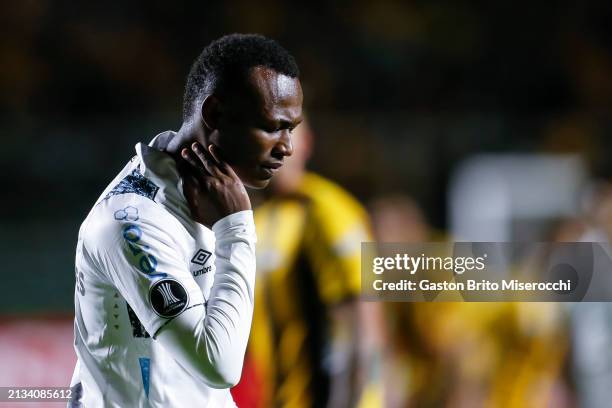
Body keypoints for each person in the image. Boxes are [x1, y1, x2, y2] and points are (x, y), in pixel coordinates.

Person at [68, 33, 303, 407]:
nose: (287, 146)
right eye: (273, 126)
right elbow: (219, 366)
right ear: (213, 114)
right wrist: (238, 228)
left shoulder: (211, 194)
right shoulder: (132, 222)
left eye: (292, 128)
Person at [242, 119, 383, 407]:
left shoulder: (328, 212)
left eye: (287, 132)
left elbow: (363, 334)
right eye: (264, 132)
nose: (275, 145)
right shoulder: (261, 220)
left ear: (306, 143)